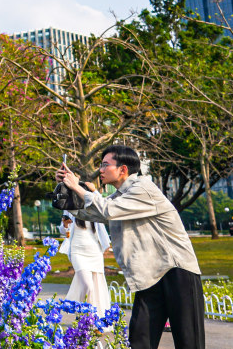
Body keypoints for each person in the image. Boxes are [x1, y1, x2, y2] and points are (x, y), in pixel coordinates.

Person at [56, 145, 204, 349]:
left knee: (189, 341)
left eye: (105, 165)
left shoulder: (143, 188)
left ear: (123, 169)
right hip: (150, 275)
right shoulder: (120, 196)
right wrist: (67, 194)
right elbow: (95, 213)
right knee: (139, 341)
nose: (100, 170)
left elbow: (106, 210)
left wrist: (76, 187)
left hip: (177, 271)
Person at [65, 215, 112, 314]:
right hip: (77, 251)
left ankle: (92, 317)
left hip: (95, 252)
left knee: (96, 286)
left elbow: (102, 228)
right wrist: (65, 225)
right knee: (87, 285)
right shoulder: (71, 209)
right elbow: (63, 230)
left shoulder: (93, 209)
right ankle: (75, 307)